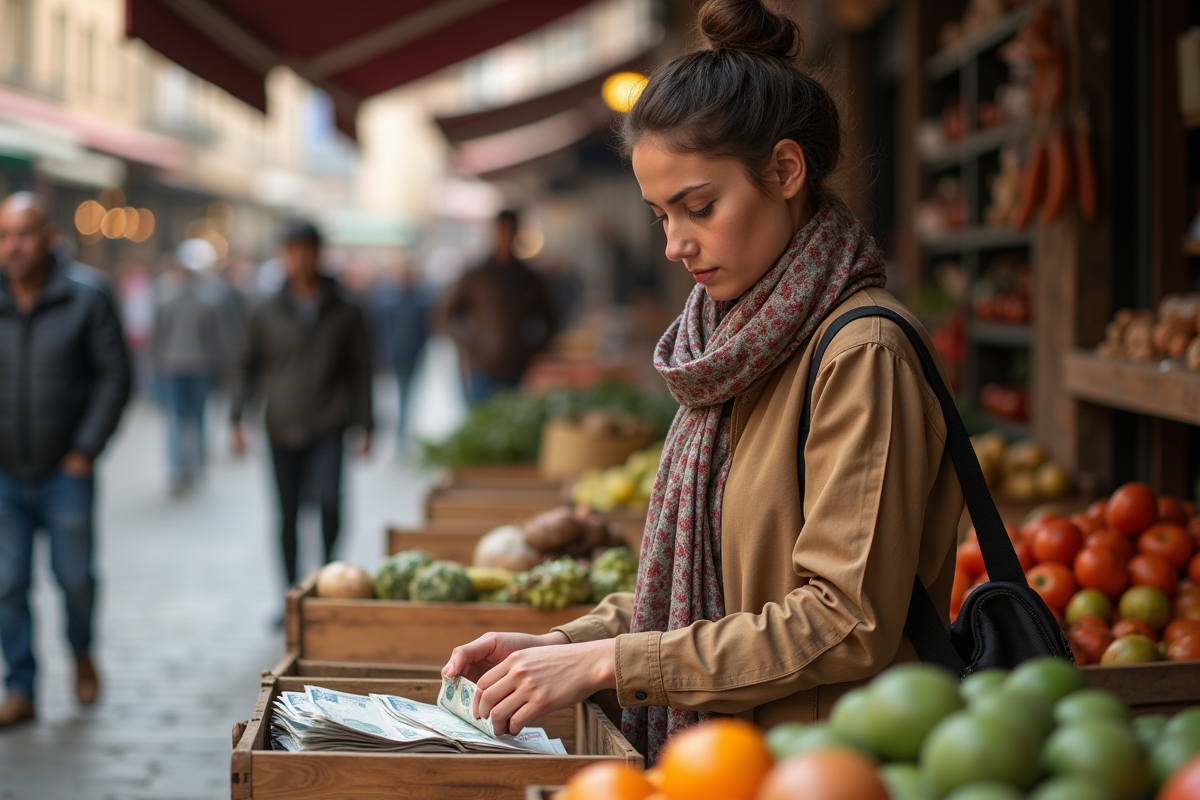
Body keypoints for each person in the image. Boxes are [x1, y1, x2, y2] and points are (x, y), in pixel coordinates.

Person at [442, 0, 964, 764]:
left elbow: (846, 620)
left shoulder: (861, 355)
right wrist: (565, 643)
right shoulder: (730, 350)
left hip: (818, 767)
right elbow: (707, 589)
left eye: (699, 208)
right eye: (661, 215)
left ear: (785, 171)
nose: (675, 244)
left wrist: (613, 663)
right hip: (725, 759)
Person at [0, 192, 132, 726]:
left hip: (66, 471)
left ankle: (81, 651)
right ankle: (21, 687)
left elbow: (115, 375)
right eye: (4, 236)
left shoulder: (87, 295)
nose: (14, 246)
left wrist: (86, 449)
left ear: (49, 238)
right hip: (5, 473)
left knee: (75, 578)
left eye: (23, 234)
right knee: (7, 583)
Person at [229, 221, 373, 591]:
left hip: (328, 423)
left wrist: (366, 424)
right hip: (281, 423)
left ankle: (329, 580)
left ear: (318, 254)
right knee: (287, 512)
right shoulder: (264, 309)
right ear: (283, 255)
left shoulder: (344, 309)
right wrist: (237, 417)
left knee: (330, 504)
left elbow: (360, 370)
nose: (299, 259)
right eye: (292, 251)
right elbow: (246, 364)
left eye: (306, 250)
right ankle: (290, 592)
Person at [440, 209, 558, 404]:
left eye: (510, 231)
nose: (506, 237)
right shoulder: (476, 276)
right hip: (483, 368)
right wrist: (470, 340)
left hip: (518, 367)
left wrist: (534, 348)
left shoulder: (530, 279)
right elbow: (446, 315)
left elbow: (551, 318)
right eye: (502, 231)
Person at [150, 239, 226, 494]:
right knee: (197, 419)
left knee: (176, 419)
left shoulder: (167, 300)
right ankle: (197, 466)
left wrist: (155, 367)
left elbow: (158, 339)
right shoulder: (207, 302)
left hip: (174, 366)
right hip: (198, 367)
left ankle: (178, 469)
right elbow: (216, 340)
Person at [373, 259, 431, 445]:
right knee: (390, 395)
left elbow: (425, 330)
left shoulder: (419, 300)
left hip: (411, 354)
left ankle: (401, 432)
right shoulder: (387, 300)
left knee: (406, 394)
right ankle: (395, 430)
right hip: (393, 354)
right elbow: (382, 329)